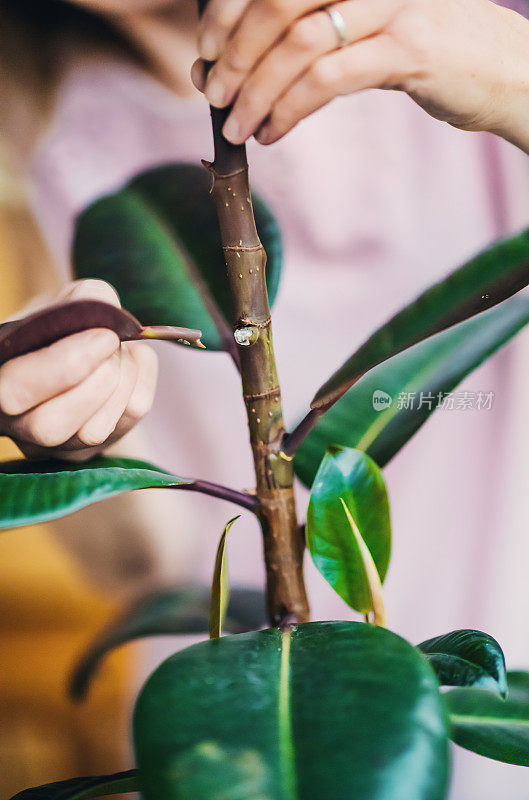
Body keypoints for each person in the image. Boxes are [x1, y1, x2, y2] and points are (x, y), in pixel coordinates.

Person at [2, 0, 529, 796]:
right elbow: (143, 562)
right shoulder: (28, 126)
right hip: (247, 723)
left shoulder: (465, 30)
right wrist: (76, 446)